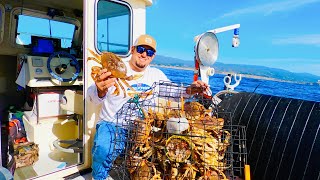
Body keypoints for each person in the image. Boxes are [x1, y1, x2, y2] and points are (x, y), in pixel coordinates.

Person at [87, 34, 208, 180]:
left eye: (149, 52)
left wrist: (191, 89)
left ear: (153, 56)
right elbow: (92, 99)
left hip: (142, 127)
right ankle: (98, 177)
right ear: (132, 49)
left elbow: (175, 91)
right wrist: (100, 89)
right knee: (103, 148)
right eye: (141, 49)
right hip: (113, 123)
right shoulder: (115, 69)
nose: (144, 54)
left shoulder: (156, 75)